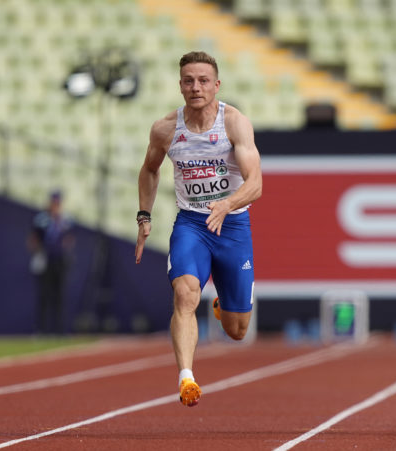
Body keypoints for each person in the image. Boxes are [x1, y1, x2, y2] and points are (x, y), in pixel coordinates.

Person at [135, 51, 262, 407]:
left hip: (233, 225)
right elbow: (149, 169)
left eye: (203, 80)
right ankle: (186, 377)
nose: (196, 87)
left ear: (216, 85)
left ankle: (224, 305)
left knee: (237, 331)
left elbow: (256, 184)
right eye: (189, 80)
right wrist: (144, 216)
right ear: (180, 85)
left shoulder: (234, 123)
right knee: (185, 295)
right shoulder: (165, 129)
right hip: (191, 223)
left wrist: (226, 204)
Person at [27, 190, 74, 334]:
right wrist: (37, 252)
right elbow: (33, 238)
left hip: (59, 260)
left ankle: (59, 330)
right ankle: (41, 329)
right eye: (54, 202)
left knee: (59, 295)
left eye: (57, 203)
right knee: (44, 295)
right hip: (45, 258)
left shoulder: (65, 220)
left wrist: (65, 249)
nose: (55, 205)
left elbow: (70, 239)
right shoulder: (42, 219)